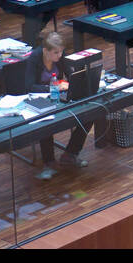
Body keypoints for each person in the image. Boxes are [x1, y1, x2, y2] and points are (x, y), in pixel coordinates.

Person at [24, 32, 89, 180]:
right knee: (47, 121)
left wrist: (76, 83)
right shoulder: (34, 58)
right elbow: (29, 86)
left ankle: (70, 154)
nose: (60, 55)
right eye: (56, 53)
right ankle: (49, 162)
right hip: (39, 99)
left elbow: (70, 74)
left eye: (61, 52)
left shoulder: (60, 55)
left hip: (58, 96)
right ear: (46, 51)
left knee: (88, 114)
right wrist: (52, 89)